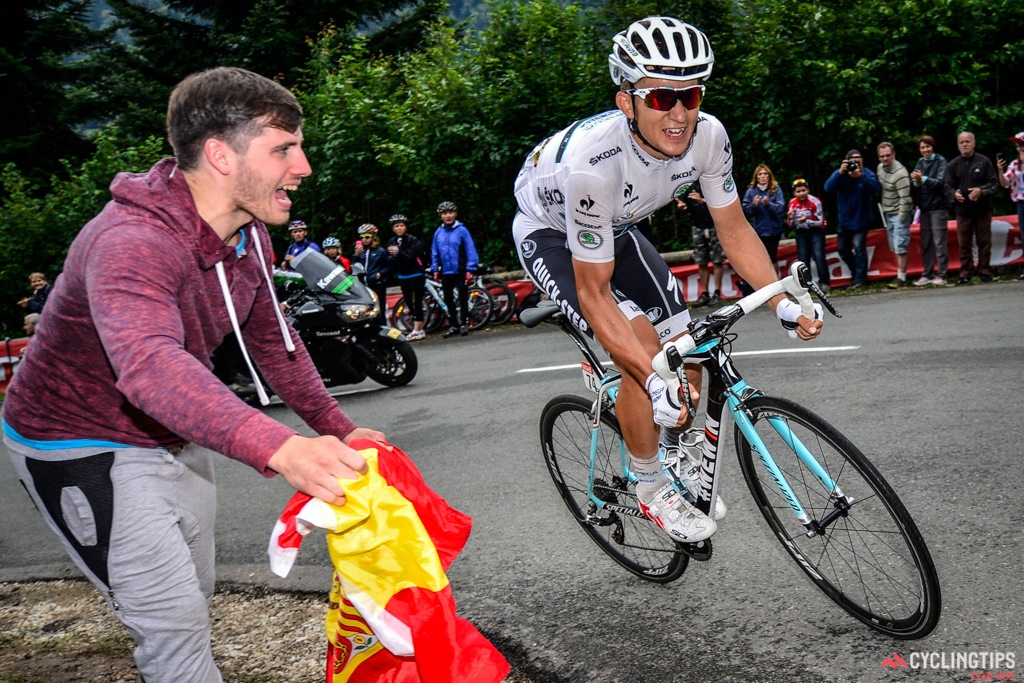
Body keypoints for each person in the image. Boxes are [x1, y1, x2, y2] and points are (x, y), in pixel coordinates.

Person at [0, 66, 383, 683]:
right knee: (172, 620)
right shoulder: (132, 241)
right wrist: (282, 447)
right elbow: (150, 368)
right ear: (219, 155)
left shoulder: (248, 232)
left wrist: (338, 428)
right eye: (284, 148)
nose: (304, 166)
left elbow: (273, 342)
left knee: (195, 594)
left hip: (173, 432)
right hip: (78, 443)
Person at [512, 17, 822, 543]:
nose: (679, 114)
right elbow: (594, 291)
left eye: (691, 95)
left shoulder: (709, 136)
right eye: (661, 98)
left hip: (617, 224)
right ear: (627, 101)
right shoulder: (595, 164)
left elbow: (734, 228)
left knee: (691, 351)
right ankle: (652, 487)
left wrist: (781, 300)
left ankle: (679, 452)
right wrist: (653, 379)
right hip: (552, 236)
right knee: (647, 355)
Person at [944, 131, 999, 284]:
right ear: (958, 145)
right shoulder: (953, 165)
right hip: (962, 211)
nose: (965, 144)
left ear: (974, 143)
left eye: (968, 141)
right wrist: (954, 194)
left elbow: (994, 183)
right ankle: (966, 272)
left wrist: (981, 191)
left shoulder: (984, 161)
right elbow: (946, 186)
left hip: (982, 210)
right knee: (964, 244)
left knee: (984, 241)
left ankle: (985, 271)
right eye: (961, 142)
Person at [824, 149, 881, 289]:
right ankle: (856, 273)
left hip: (862, 218)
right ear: (847, 161)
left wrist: (860, 176)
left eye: (858, 158)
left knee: (859, 247)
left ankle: (861, 280)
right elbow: (828, 188)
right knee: (842, 249)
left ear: (862, 160)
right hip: (845, 220)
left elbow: (877, 187)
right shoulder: (841, 174)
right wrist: (839, 172)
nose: (855, 161)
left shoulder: (866, 173)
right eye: (852, 159)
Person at [430, 201, 479, 338]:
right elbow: (434, 251)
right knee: (448, 298)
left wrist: (470, 268)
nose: (448, 216)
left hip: (461, 269)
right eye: (445, 213)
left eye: (450, 212)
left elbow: (470, 249)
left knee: (463, 297)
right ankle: (453, 325)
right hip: (446, 271)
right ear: (441, 216)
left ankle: (463, 323)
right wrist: (435, 269)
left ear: (455, 214)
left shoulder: (462, 230)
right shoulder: (438, 232)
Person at [910, 135, 950, 287]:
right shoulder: (920, 162)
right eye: (922, 147)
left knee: (939, 241)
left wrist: (923, 179)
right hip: (924, 207)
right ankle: (927, 273)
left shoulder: (941, 161)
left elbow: (941, 183)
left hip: (939, 206)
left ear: (932, 147)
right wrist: (915, 180)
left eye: (927, 146)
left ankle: (942, 274)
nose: (925, 150)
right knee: (925, 242)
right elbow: (915, 184)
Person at [676, 181, 724, 306]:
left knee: (717, 260)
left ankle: (717, 293)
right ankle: (705, 293)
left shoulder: (711, 182)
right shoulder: (688, 184)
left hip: (714, 223)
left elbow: (721, 202)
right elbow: (682, 202)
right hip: (697, 225)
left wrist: (702, 200)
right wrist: (682, 205)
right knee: (701, 260)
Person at [876, 142, 914, 288]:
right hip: (887, 211)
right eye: (882, 156)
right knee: (893, 245)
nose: (885, 159)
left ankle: (901, 277)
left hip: (899, 212)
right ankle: (899, 273)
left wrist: (902, 218)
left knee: (900, 246)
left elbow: (906, 198)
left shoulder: (901, 173)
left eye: (888, 155)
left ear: (893, 154)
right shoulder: (880, 168)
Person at [386, 213, 428, 340]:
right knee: (409, 303)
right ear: (393, 228)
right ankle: (418, 329)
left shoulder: (412, 240)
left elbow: (412, 257)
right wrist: (393, 257)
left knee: (416, 302)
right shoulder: (392, 241)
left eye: (401, 226)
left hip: (415, 274)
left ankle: (417, 330)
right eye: (397, 226)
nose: (399, 228)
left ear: (406, 227)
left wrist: (399, 253)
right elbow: (389, 259)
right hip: (402, 275)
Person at [741, 164, 786, 277]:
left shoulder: (776, 189)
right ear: (756, 177)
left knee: (772, 257)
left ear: (769, 176)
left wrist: (768, 204)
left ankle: (776, 283)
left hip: (773, 230)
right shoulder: (751, 192)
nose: (763, 176)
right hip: (759, 230)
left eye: (765, 174)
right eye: (760, 174)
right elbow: (745, 210)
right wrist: (754, 205)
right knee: (762, 259)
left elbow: (780, 208)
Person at [786, 178, 829, 293]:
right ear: (794, 193)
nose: (801, 194)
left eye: (803, 190)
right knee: (803, 259)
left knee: (818, 256)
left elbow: (820, 221)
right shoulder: (792, 203)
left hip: (816, 230)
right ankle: (806, 284)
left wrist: (807, 220)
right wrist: (791, 218)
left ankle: (824, 283)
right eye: (798, 191)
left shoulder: (815, 202)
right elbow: (789, 225)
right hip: (801, 232)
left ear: (808, 190)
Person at [998, 131, 1024, 280]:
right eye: (1018, 145)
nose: (1020, 148)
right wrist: (1000, 170)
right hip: (1021, 202)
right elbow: (1005, 183)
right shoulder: (1014, 165)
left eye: (1022, 144)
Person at [353, 223, 389, 324]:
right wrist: (356, 255)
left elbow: (388, 267)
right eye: (362, 237)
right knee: (367, 311)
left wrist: (380, 274)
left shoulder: (380, 251)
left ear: (373, 237)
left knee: (380, 310)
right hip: (364, 285)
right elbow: (354, 266)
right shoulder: (361, 252)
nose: (364, 240)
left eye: (367, 237)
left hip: (377, 284)